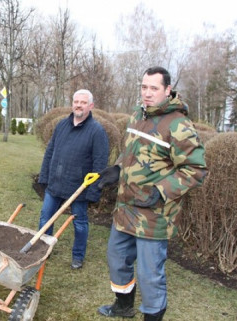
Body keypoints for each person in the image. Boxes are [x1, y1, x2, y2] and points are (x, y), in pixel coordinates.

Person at [97, 67, 208, 321]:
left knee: (149, 276)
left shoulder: (179, 124)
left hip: (154, 217)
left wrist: (161, 191)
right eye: (144, 87)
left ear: (167, 91)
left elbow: (196, 169)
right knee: (117, 260)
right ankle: (124, 306)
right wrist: (117, 169)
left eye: (154, 88)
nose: (147, 93)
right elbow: (130, 153)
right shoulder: (137, 115)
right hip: (125, 210)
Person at [38, 89, 109, 270]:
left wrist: (93, 191)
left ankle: (78, 256)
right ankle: (44, 249)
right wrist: (45, 176)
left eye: (83, 102)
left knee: (80, 224)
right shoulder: (62, 125)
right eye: (76, 101)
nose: (79, 105)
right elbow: (50, 153)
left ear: (91, 106)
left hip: (79, 188)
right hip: (55, 183)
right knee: (46, 218)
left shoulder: (96, 131)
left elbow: (100, 164)